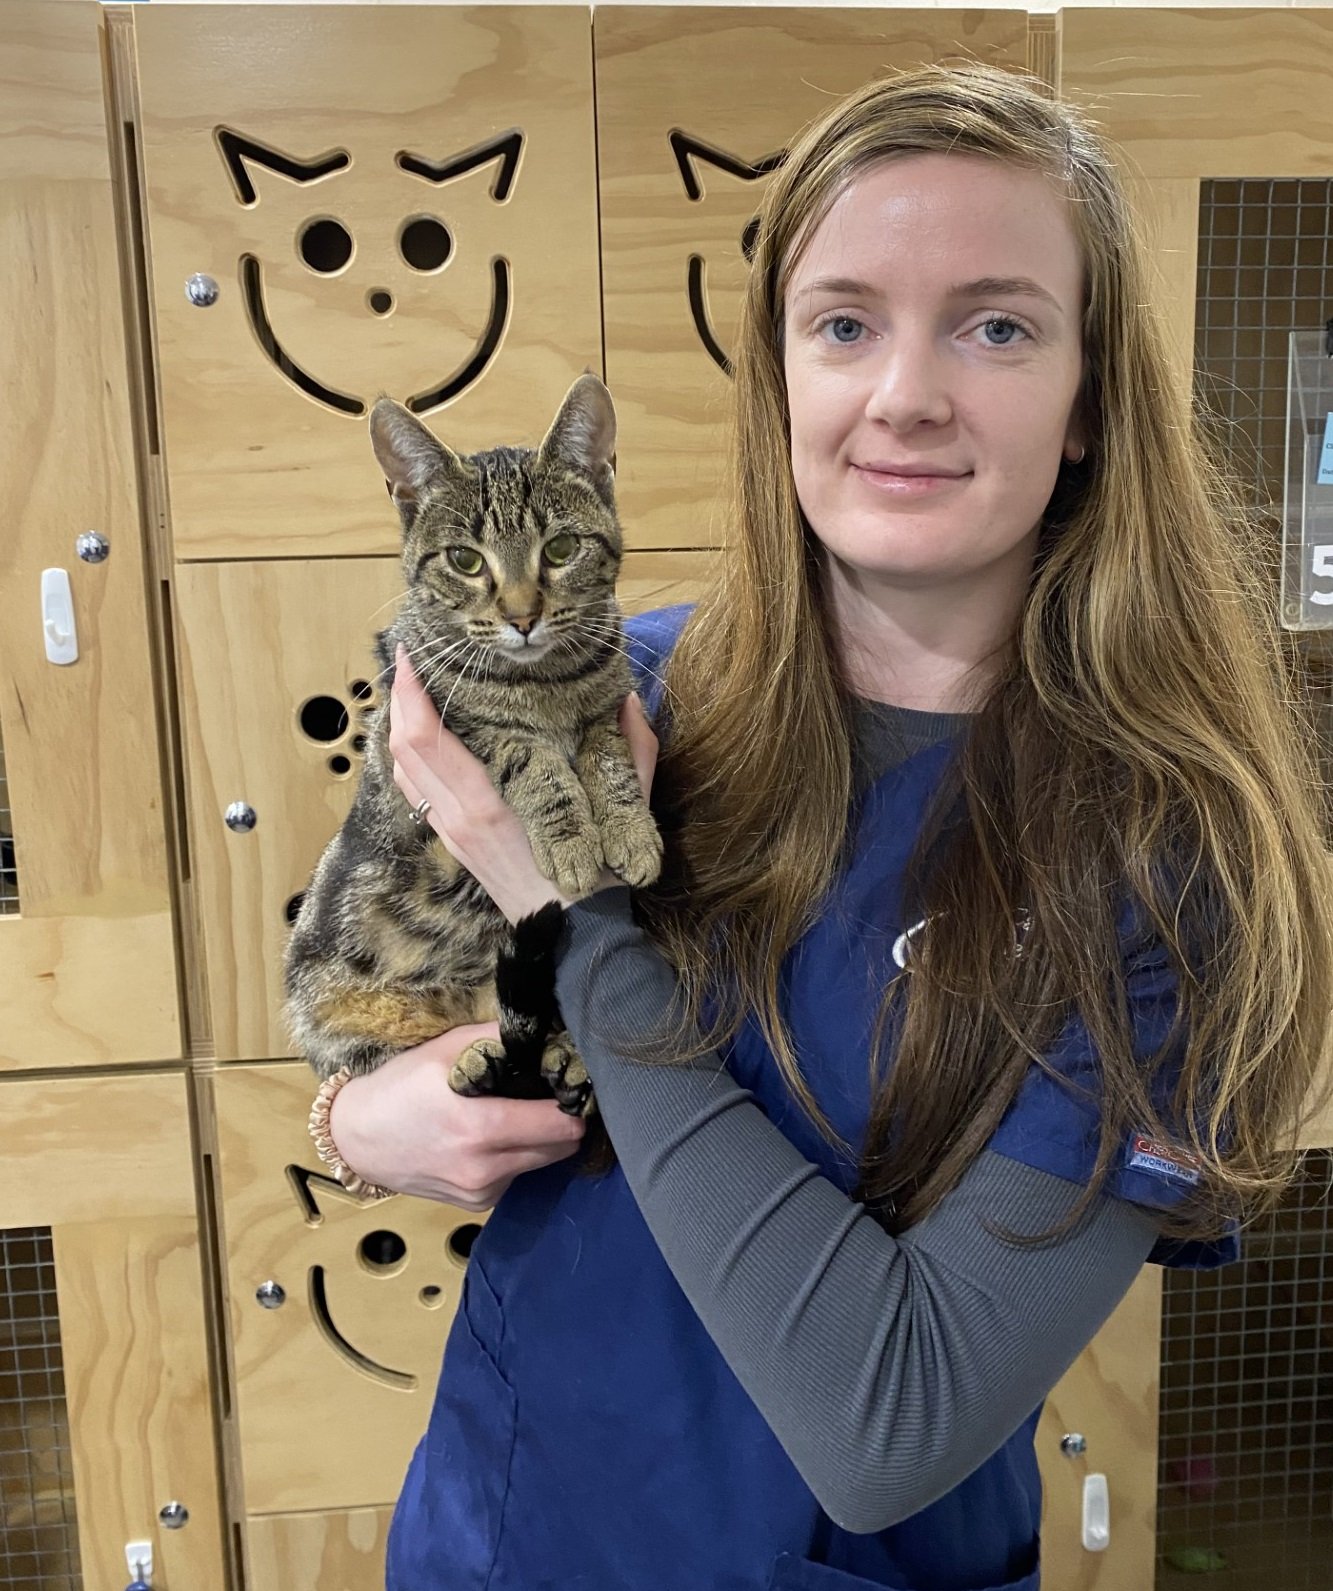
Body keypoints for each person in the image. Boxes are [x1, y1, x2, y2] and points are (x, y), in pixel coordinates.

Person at [326, 62, 1333, 1590]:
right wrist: (352, 1123)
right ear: (781, 381)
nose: (903, 393)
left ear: (1085, 404)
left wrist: (577, 918)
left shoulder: (1168, 856)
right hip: (503, 1529)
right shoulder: (624, 697)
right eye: (843, 323)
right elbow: (376, 989)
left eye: (995, 325)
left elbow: (892, 1422)